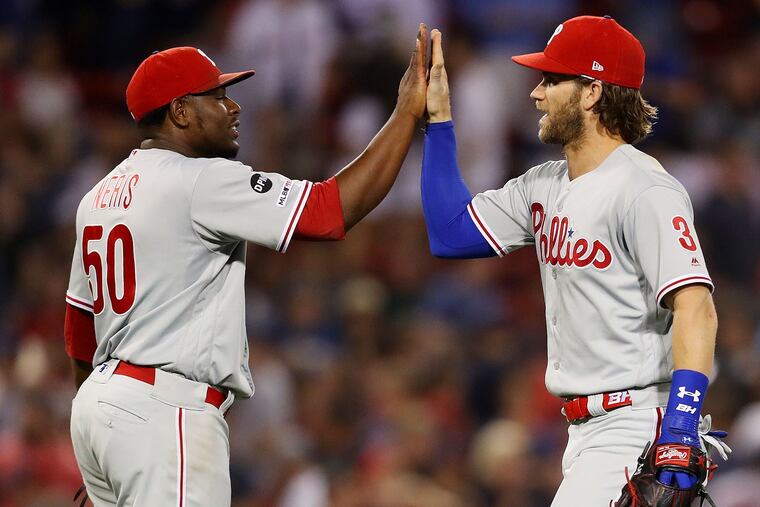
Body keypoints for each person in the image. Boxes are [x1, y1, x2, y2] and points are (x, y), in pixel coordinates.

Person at [64, 25, 428, 506]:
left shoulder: (98, 196)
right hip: (165, 409)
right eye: (217, 96)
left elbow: (79, 332)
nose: (234, 107)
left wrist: (108, 438)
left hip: (101, 408)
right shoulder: (199, 179)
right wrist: (405, 113)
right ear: (179, 111)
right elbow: (328, 213)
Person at [421, 16, 720, 505]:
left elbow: (696, 308)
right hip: (585, 434)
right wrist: (439, 123)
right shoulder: (543, 184)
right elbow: (450, 234)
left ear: (591, 92)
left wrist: (681, 430)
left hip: (638, 425)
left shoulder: (644, 188)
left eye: (551, 79)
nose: (536, 93)